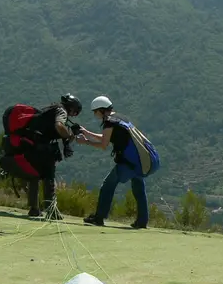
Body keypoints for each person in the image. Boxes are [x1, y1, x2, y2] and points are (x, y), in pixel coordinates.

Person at [76, 95, 157, 228]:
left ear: (101, 110)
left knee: (108, 185)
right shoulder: (120, 118)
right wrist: (87, 132)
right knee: (139, 189)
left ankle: (99, 217)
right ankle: (142, 221)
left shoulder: (109, 121)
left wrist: (85, 141)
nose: (95, 115)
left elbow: (103, 144)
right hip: (141, 161)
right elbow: (106, 137)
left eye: (95, 112)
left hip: (128, 163)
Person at [24, 93, 82, 218]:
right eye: (75, 112)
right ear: (71, 108)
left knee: (34, 176)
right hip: (45, 149)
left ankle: (34, 208)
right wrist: (70, 135)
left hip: (33, 145)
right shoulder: (62, 112)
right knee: (48, 178)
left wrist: (70, 134)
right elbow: (59, 126)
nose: (73, 115)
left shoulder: (52, 109)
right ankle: (51, 211)